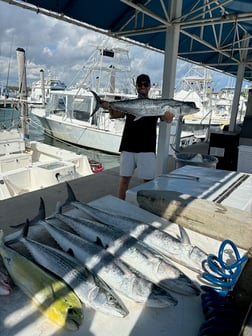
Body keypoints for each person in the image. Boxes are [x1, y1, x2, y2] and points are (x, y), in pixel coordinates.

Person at [101, 74, 174, 200]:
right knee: (124, 180)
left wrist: (169, 117)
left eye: (145, 84)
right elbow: (116, 114)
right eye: (140, 85)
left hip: (147, 148)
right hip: (128, 147)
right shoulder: (130, 104)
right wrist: (109, 106)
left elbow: (166, 119)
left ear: (149, 86)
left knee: (148, 182)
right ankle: (120, 204)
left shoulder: (156, 105)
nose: (143, 87)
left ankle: (145, 208)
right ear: (136, 87)